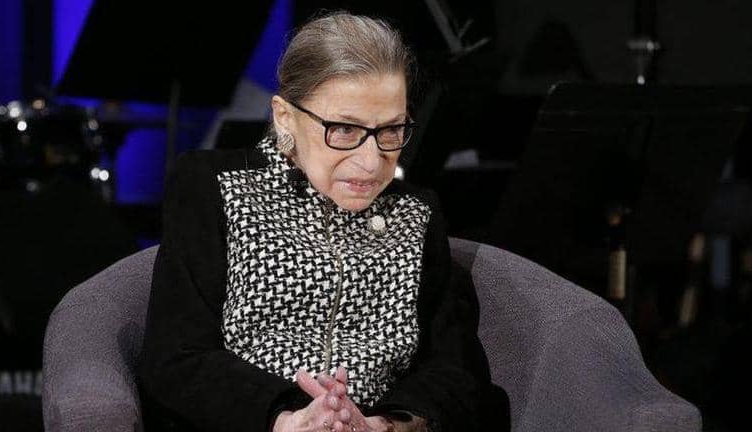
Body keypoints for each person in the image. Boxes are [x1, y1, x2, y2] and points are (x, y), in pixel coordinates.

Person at [137, 12, 510, 432]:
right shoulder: (214, 188)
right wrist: (284, 419)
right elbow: (175, 358)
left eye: (392, 131)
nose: (372, 162)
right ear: (285, 116)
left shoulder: (416, 213)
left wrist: (387, 425)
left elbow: (456, 369)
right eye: (344, 130)